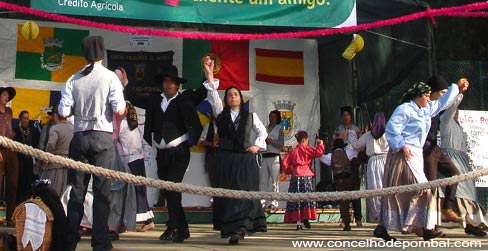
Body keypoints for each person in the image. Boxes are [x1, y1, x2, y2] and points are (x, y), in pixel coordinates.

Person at [59, 35, 126, 251]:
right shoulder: (109, 77)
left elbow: (62, 112)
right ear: (102, 52)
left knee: (77, 192)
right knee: (101, 193)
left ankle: (70, 242)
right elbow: (119, 110)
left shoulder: (73, 78)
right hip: (102, 137)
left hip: (79, 138)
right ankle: (100, 243)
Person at [373, 81, 462, 242]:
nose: (429, 99)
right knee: (406, 190)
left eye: (429, 96)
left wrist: (455, 87)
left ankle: (423, 226)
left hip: (416, 154)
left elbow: (442, 102)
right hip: (402, 154)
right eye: (426, 96)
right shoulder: (405, 109)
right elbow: (393, 128)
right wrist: (401, 145)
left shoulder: (425, 110)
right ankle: (387, 227)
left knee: (418, 190)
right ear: (417, 96)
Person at [204, 56, 268, 245]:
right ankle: (230, 230)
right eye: (230, 94)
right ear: (226, 99)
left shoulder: (250, 116)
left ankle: (240, 229)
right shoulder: (220, 113)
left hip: (244, 161)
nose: (232, 96)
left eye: (236, 94)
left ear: (241, 99)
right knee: (227, 195)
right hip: (225, 160)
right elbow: (213, 94)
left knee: (244, 195)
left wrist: (256, 145)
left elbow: (262, 132)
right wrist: (209, 74)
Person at [143, 64, 207, 243]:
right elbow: (136, 98)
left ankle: (172, 227)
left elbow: (202, 92)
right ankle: (183, 228)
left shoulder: (185, 99)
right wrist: (124, 84)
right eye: (165, 81)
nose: (168, 85)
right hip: (161, 152)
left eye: (172, 82)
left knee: (173, 188)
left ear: (177, 85)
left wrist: (207, 74)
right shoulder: (155, 99)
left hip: (179, 152)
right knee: (169, 190)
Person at [439, 79, 487, 236]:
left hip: (462, 160)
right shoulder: (445, 121)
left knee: (469, 193)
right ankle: (434, 223)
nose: (457, 113)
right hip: (452, 159)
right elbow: (451, 108)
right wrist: (459, 92)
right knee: (458, 191)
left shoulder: (459, 127)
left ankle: (472, 222)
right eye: (455, 111)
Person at [423, 76, 465, 223]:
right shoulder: (427, 107)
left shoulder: (438, 107)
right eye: (442, 92)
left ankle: (447, 208)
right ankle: (427, 224)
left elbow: (449, 105)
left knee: (454, 174)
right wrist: (456, 88)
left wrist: (459, 92)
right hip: (424, 148)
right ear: (432, 93)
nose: (444, 96)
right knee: (430, 185)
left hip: (435, 148)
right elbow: (446, 102)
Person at [349, 112, 389, 223]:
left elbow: (357, 145)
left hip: (373, 162)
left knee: (375, 188)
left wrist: (352, 134)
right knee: (386, 188)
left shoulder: (368, 135)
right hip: (386, 160)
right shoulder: (389, 133)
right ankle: (386, 215)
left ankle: (377, 216)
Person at [282, 131, 324, 230]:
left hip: (295, 176)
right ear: (304, 139)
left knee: (296, 199)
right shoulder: (306, 149)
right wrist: (321, 144)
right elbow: (318, 152)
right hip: (306, 176)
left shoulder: (293, 151)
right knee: (306, 198)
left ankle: (298, 221)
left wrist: (289, 170)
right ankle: (306, 218)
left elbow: (284, 163)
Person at [333, 106, 362, 226]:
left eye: (348, 115)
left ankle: (358, 218)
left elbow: (361, 143)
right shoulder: (339, 128)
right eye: (344, 115)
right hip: (342, 160)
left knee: (355, 190)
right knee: (343, 189)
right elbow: (333, 142)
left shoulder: (356, 128)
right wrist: (340, 137)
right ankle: (345, 218)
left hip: (354, 160)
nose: (346, 117)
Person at [40, 106, 74, 197]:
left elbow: (51, 144)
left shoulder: (55, 128)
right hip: (68, 166)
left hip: (54, 167)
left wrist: (47, 157)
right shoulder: (72, 128)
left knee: (50, 196)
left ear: (55, 116)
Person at [0, 86, 19, 226]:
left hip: (10, 147)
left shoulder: (9, 111)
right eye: (4, 95)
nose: (7, 98)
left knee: (13, 182)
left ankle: (10, 217)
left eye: (8, 96)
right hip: (0, 147)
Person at [13, 110, 40, 203]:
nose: (26, 120)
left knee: (28, 183)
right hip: (19, 161)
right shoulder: (15, 131)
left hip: (29, 162)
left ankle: (27, 203)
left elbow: (34, 146)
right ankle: (18, 204)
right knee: (20, 183)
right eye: (24, 118)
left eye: (27, 118)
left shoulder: (31, 131)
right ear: (20, 119)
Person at [260, 110, 284, 209]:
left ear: (277, 118)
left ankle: (274, 202)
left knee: (275, 181)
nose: (271, 118)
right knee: (263, 180)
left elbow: (281, 144)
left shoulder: (279, 130)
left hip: (274, 157)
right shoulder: (264, 129)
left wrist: (271, 141)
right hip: (265, 156)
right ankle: (262, 201)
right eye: (270, 116)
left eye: (274, 117)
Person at [198, 113, 218, 188]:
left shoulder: (228, 125)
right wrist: (211, 144)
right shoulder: (208, 126)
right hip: (212, 157)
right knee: (213, 182)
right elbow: (200, 142)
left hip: (226, 157)